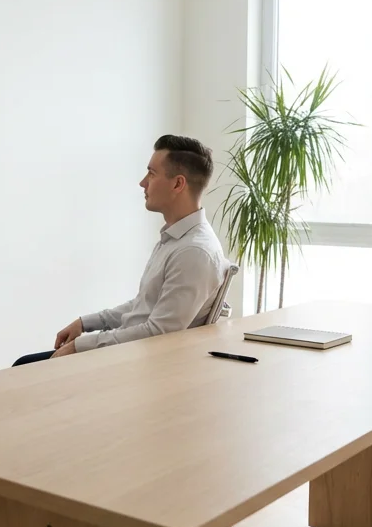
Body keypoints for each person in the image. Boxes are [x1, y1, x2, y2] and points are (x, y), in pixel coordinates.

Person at [13, 135, 229, 366]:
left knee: (24, 367)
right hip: (126, 352)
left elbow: (160, 333)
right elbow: (142, 306)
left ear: (177, 184)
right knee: (24, 365)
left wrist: (81, 346)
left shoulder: (194, 252)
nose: (143, 183)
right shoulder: (175, 240)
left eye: (151, 174)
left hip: (132, 363)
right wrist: (85, 323)